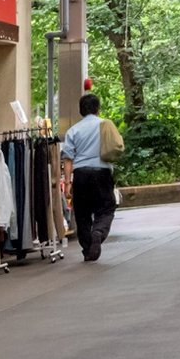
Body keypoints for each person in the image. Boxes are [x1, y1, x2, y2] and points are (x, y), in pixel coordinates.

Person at [61, 93, 117, 263]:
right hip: (102, 172)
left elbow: (68, 159)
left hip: (81, 174)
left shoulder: (73, 130)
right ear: (97, 108)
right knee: (106, 208)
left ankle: (87, 250)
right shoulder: (105, 125)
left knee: (82, 213)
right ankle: (98, 232)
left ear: (81, 110)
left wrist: (68, 183)